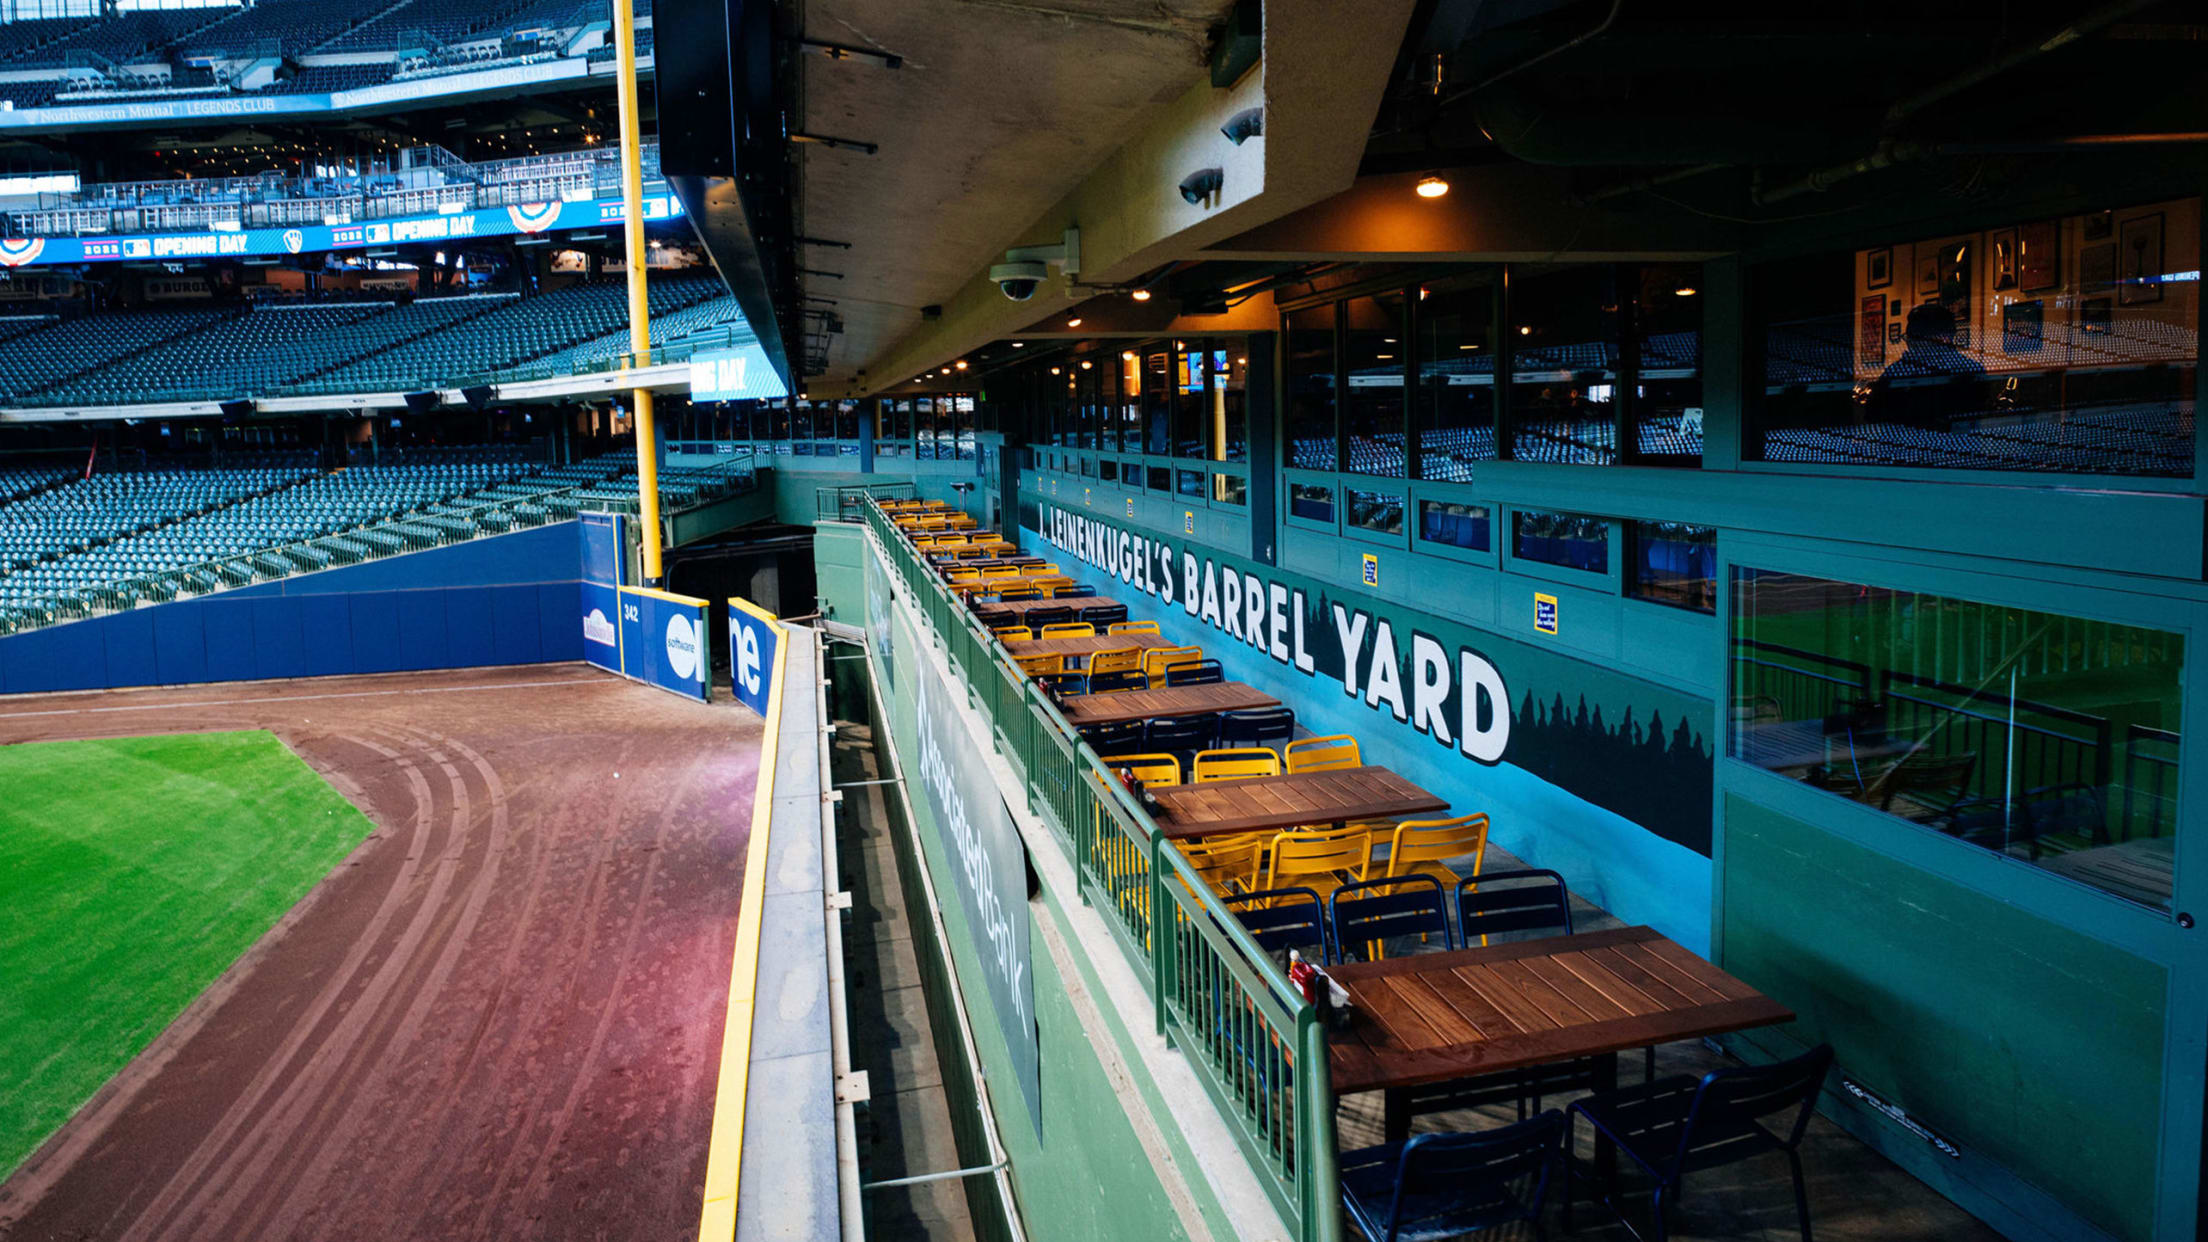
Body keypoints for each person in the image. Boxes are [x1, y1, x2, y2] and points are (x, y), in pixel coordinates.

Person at [1872, 302, 1983, 426]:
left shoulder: (1896, 372)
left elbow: (1874, 415)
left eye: (1912, 339)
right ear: (1948, 337)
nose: (1909, 345)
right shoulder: (1970, 369)